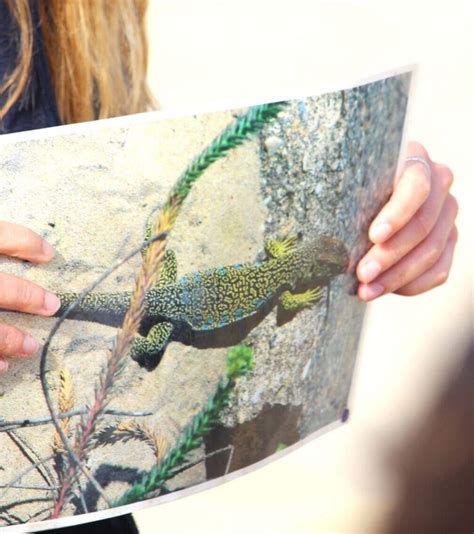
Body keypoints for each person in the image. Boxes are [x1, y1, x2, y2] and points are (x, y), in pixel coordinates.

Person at [0, 0, 459, 531]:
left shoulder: (84, 18)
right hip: (160, 319)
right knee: (150, 343)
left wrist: (376, 199)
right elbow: (291, 298)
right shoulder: (284, 281)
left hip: (79, 510)